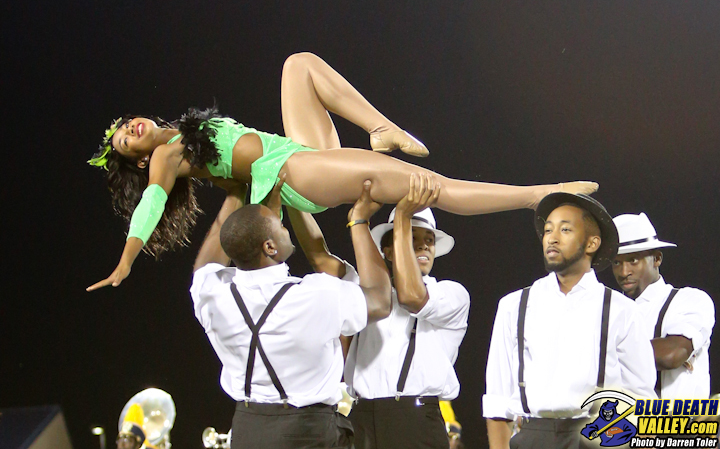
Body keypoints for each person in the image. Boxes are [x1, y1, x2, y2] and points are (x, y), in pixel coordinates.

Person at [86, 52, 598, 291]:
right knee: (433, 188)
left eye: (126, 126)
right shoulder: (166, 157)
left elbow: (252, 190)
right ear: (139, 158)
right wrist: (127, 259)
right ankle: (539, 194)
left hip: (295, 154)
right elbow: (153, 202)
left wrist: (317, 252)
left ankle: (381, 128)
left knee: (298, 65)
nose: (130, 130)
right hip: (297, 171)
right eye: (125, 141)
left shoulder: (186, 136)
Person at [190, 176, 392, 449]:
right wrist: (359, 221)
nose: (285, 229)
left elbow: (208, 262)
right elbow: (380, 301)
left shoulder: (213, 295)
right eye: (281, 226)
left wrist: (238, 194)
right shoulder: (314, 294)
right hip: (307, 430)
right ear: (269, 247)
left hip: (247, 430)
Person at [483, 193, 656, 449]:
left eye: (565, 229)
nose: (552, 238)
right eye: (548, 230)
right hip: (532, 436)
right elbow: (497, 398)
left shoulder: (622, 310)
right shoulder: (514, 305)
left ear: (592, 243)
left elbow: (640, 398)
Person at [342, 173, 470, 449]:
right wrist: (358, 220)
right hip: (361, 417)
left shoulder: (451, 294)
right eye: (412, 237)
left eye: (429, 240)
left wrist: (402, 215)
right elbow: (321, 258)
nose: (424, 245)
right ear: (389, 251)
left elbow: (412, 298)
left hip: (414, 422)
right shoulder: (366, 291)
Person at [611, 212, 715, 399]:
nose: (624, 272)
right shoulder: (611, 310)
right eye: (616, 262)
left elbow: (671, 355)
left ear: (657, 258)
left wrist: (604, 353)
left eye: (633, 260)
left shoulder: (689, 299)